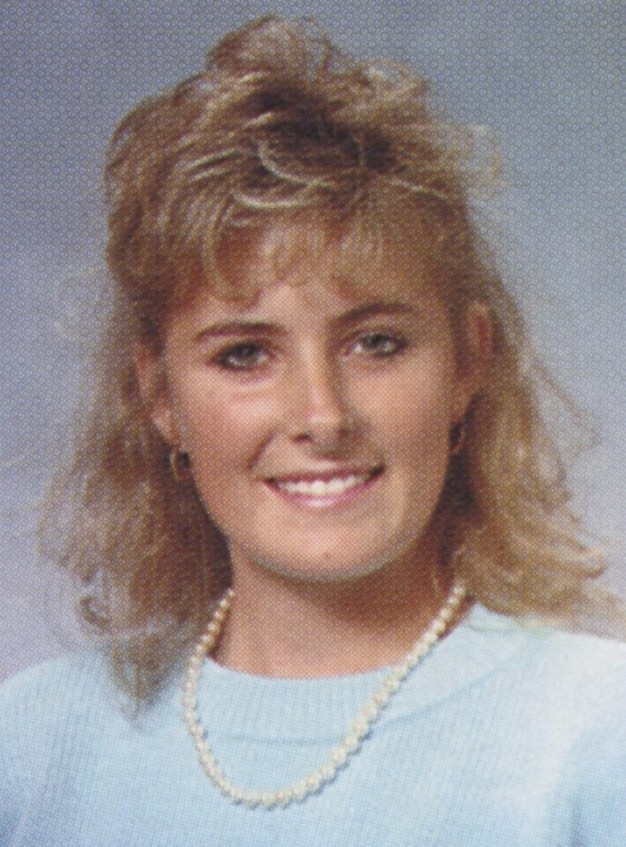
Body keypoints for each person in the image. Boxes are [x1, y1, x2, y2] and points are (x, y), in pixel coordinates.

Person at [1, 15, 625, 846]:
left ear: (467, 363)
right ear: (161, 397)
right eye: (245, 354)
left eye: (377, 343)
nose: (323, 416)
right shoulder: (31, 748)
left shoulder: (596, 739)